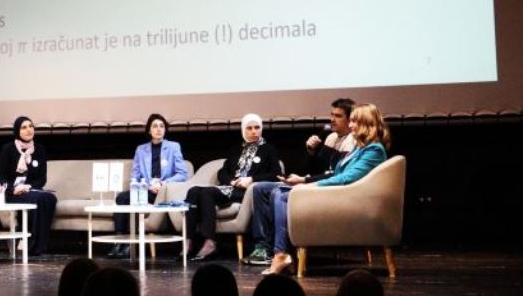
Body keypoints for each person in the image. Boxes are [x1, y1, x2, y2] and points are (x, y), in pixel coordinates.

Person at [261, 103, 391, 276]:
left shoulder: (374, 150)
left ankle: (281, 255)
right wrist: (306, 177)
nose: (350, 125)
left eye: (354, 121)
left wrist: (309, 185)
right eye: (351, 120)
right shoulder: (359, 148)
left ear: (367, 124)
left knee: (283, 195)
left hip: (348, 201)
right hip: (338, 195)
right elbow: (334, 173)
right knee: (278, 192)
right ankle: (284, 256)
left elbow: (346, 178)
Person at [245, 98, 356, 265]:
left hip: (325, 188)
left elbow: (334, 175)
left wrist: (304, 180)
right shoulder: (331, 138)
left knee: (278, 192)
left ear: (350, 120)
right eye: (332, 115)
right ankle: (262, 246)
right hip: (312, 181)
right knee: (259, 188)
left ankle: (278, 251)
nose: (332, 120)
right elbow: (314, 168)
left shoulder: (352, 141)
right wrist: (311, 151)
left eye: (338, 116)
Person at [184, 113, 282, 261]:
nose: (254, 131)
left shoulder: (268, 149)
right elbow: (222, 171)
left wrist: (251, 179)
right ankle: (188, 240)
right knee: (193, 191)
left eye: (257, 128)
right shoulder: (236, 149)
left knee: (206, 193)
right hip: (231, 188)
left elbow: (276, 174)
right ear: (243, 130)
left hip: (247, 191)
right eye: (249, 128)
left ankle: (210, 241)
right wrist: (230, 181)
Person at [106, 113, 188, 259]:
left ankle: (129, 245)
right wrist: (145, 186)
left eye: (162, 126)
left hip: (164, 192)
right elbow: (135, 176)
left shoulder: (173, 147)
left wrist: (162, 184)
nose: (159, 129)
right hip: (146, 190)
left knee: (133, 200)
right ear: (149, 130)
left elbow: (182, 174)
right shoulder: (141, 149)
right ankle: (119, 242)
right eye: (155, 126)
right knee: (122, 198)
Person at [0, 116, 58, 256]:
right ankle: (31, 243)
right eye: (24, 127)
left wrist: (28, 187)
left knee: (50, 198)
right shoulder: (8, 149)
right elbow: (2, 177)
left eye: (31, 126)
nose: (29, 130)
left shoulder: (40, 149)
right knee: (38, 199)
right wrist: (14, 189)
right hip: (13, 193)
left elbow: (42, 178)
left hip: (31, 190)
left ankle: (39, 245)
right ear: (17, 131)